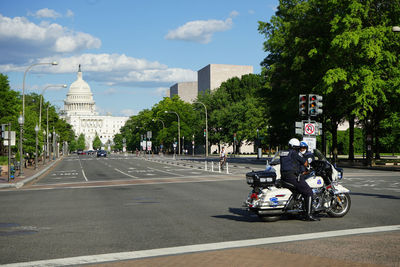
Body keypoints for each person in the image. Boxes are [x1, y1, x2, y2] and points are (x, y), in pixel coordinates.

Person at [280, 138, 319, 221]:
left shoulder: (283, 152)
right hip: (293, 177)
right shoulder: (295, 153)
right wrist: (309, 167)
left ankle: (293, 211)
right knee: (308, 192)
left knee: (298, 191)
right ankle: (308, 215)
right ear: (296, 147)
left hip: (284, 177)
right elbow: (305, 162)